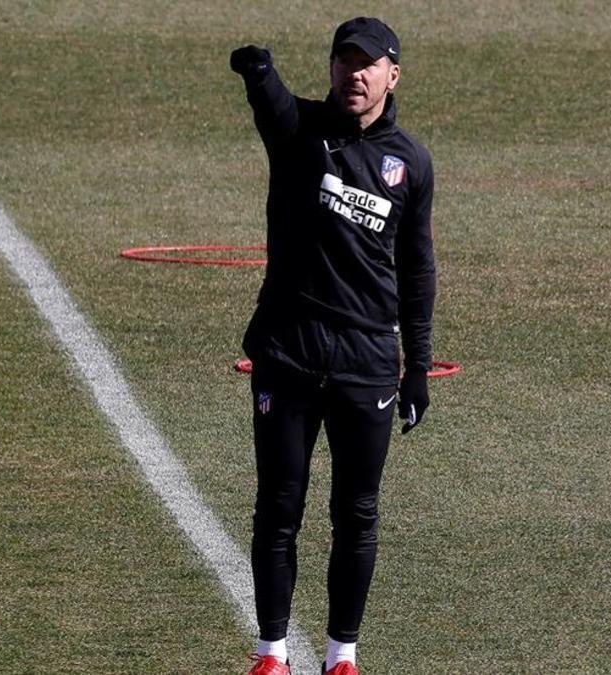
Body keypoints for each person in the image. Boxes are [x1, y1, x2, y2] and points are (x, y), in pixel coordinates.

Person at [229, 16, 437, 675]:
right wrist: (259, 74)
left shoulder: (412, 164)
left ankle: (341, 655)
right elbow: (275, 106)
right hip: (287, 354)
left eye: (368, 63)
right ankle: (271, 653)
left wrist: (418, 369)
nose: (355, 72)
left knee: (357, 513)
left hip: (366, 362)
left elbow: (419, 270)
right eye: (344, 61)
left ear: (392, 75)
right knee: (279, 506)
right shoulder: (300, 134)